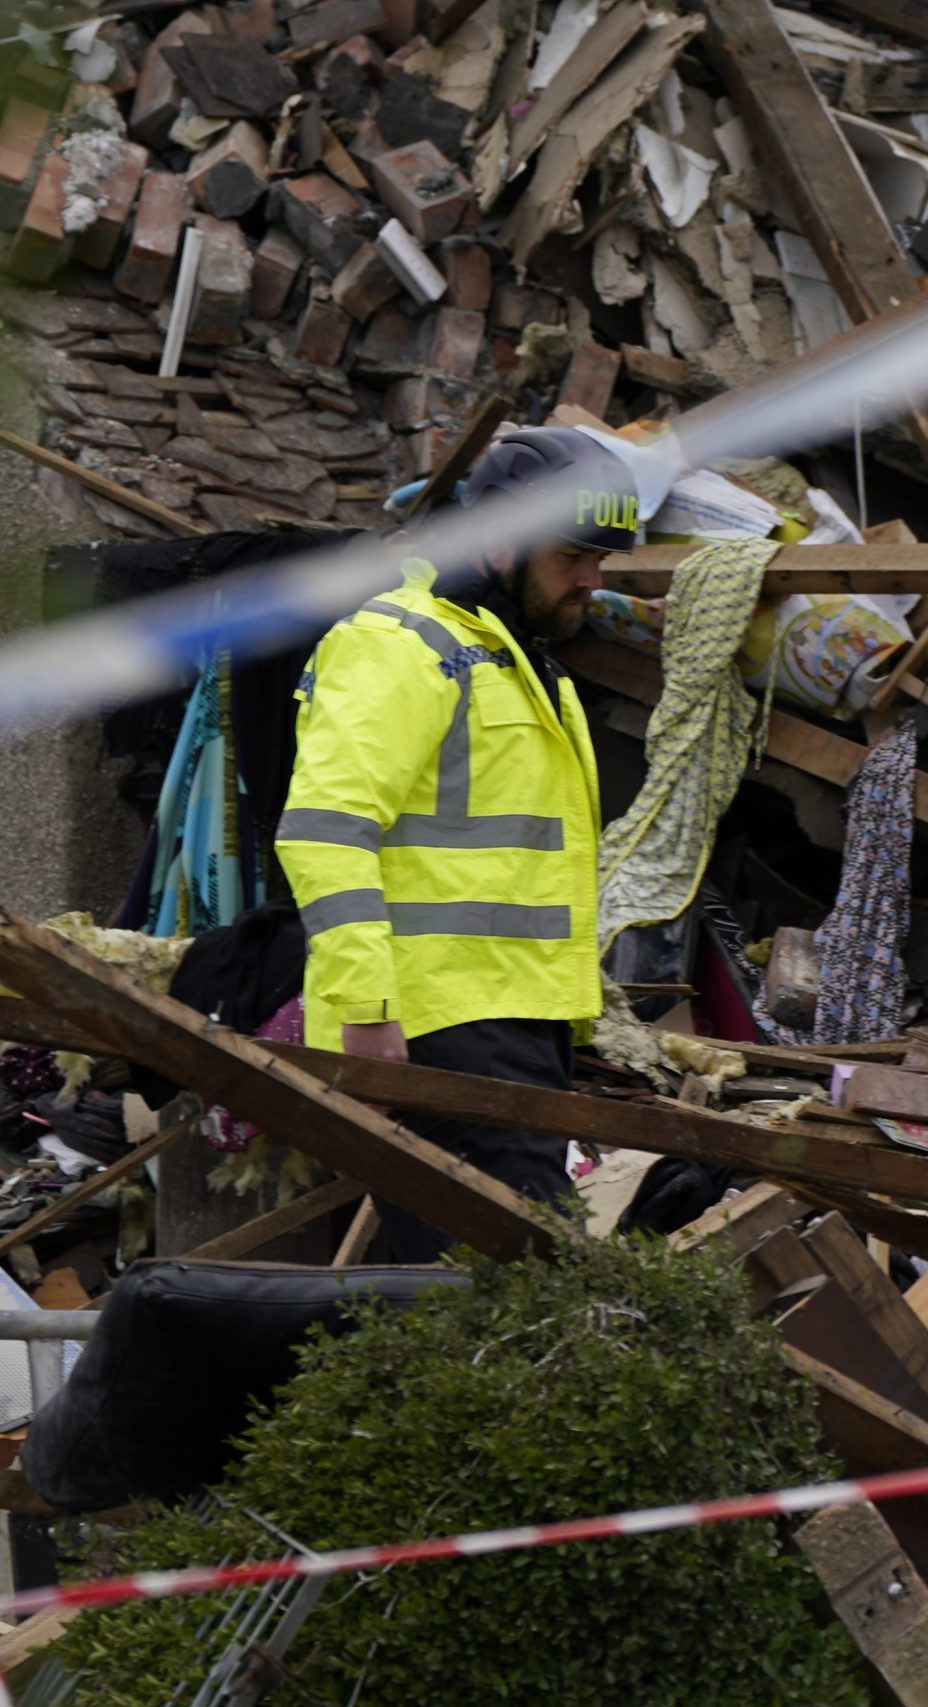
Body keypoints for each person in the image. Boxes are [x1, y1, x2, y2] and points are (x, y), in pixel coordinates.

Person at [276, 428, 641, 1259]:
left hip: (514, 1024)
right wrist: (367, 1009)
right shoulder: (400, 644)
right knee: (523, 1282)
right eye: (575, 554)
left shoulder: (510, 657)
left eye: (603, 558)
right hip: (438, 1027)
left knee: (472, 1289)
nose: (593, 577)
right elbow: (324, 833)